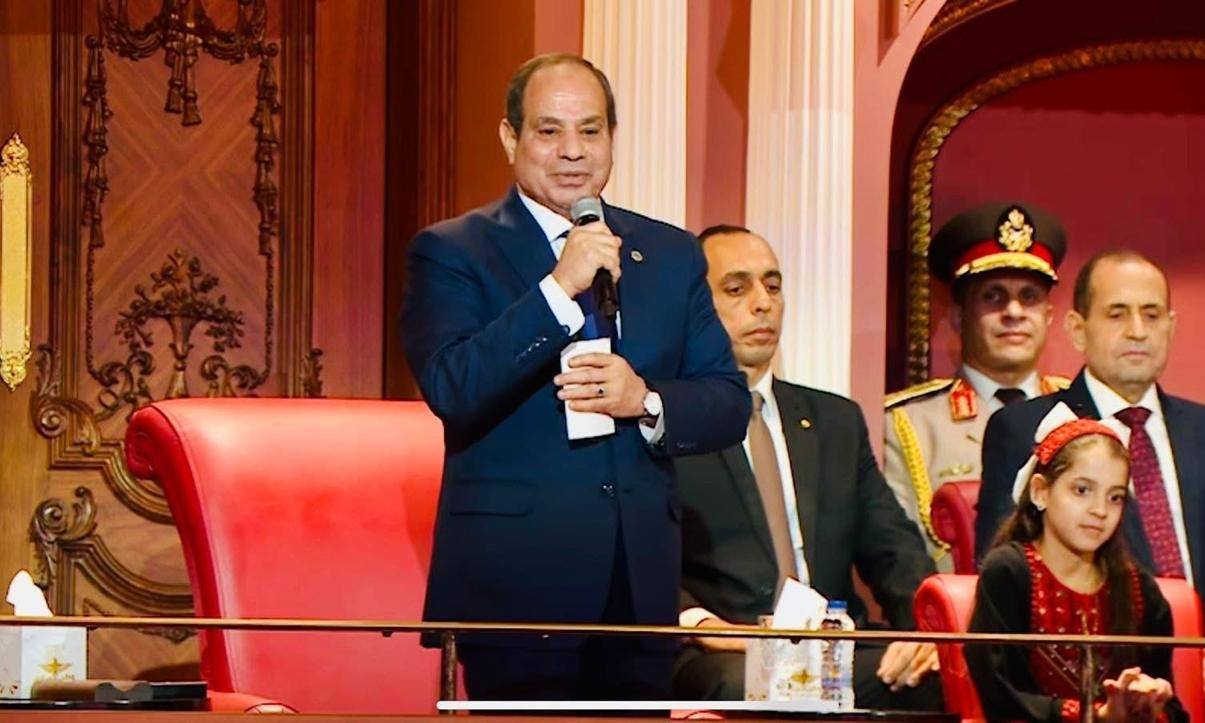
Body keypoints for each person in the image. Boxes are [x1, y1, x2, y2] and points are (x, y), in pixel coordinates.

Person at [401, 54, 749, 699]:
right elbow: (452, 387)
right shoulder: (453, 250)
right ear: (510, 138)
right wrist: (559, 288)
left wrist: (645, 399)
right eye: (549, 131)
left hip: (639, 592)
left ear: (612, 138)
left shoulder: (670, 254)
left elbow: (727, 402)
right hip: (516, 587)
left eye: (590, 131)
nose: (572, 152)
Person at [672, 225, 942, 710]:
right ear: (694, 305)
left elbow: (893, 548)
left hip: (833, 647)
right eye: (736, 288)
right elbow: (635, 560)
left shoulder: (835, 421)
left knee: (940, 674)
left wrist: (926, 630)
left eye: (773, 286)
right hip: (724, 652)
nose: (763, 303)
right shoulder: (667, 419)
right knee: (756, 687)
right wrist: (701, 624)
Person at [975, 250, 1205, 585]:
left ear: (1170, 327)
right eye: (1117, 315)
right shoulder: (1027, 430)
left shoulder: (1199, 429)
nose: (1138, 331)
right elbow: (1003, 572)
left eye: (1152, 315)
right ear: (1077, 329)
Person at [968, 403, 1185, 722]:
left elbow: (1174, 707)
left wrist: (1147, 704)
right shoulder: (1009, 572)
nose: (1100, 510)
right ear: (1040, 492)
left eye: (1115, 497)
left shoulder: (1139, 589)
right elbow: (1000, 697)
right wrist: (1095, 716)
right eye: (1082, 490)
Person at [885, 202, 1070, 571]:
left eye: (1029, 297)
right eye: (993, 296)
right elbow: (902, 557)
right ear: (958, 317)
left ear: (1048, 317)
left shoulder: (1080, 411)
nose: (1014, 312)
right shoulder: (909, 425)